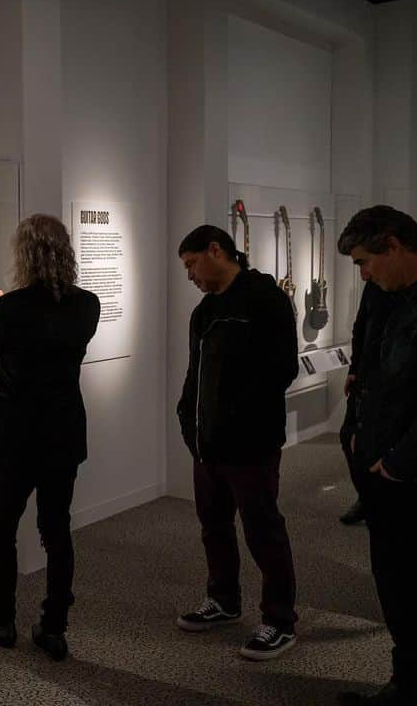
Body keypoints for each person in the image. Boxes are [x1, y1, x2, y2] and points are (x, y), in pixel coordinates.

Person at [334, 206, 417, 706]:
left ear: (393, 245)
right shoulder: (390, 295)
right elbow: (370, 365)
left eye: (366, 262)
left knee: (405, 589)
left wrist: (397, 463)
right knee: (395, 587)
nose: (363, 274)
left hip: (409, 474)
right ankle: (412, 683)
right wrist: (354, 434)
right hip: (379, 462)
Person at [0, 214, 100, 662]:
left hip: (18, 437)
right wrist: (4, 310)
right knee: (57, 531)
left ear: (24, 254)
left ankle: (2, 619)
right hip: (63, 433)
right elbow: (49, 329)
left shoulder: (13, 310)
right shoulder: (87, 305)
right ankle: (54, 627)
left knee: (1, 529)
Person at [175, 225, 299, 661]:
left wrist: (238, 421)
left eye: (192, 264)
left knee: (263, 530)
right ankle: (224, 600)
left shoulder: (265, 300)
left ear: (216, 250)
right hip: (207, 447)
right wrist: (188, 420)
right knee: (214, 528)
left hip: (251, 446)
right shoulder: (203, 313)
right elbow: (195, 373)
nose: (190, 275)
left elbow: (281, 371)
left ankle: (280, 620)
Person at [338, 281, 396, 526]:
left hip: (392, 380)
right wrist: (354, 368)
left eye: (363, 262)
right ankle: (366, 497)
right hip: (365, 375)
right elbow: (360, 327)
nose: (363, 273)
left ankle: (384, 502)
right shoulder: (373, 286)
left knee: (384, 442)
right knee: (347, 435)